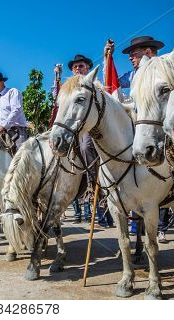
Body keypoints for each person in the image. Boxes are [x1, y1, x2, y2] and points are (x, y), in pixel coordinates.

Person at [105, 36, 168, 238]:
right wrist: (108, 57)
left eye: (135, 52)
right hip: (137, 127)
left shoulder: (162, 71)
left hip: (159, 126)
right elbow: (113, 87)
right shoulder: (131, 76)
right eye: (130, 53)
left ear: (148, 52)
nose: (131, 56)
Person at [67, 54, 113, 227]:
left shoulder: (94, 85)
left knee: (86, 147)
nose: (77, 69)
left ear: (87, 69)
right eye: (75, 67)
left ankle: (93, 183)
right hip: (72, 129)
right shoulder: (69, 87)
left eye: (80, 66)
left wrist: (106, 57)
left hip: (91, 128)